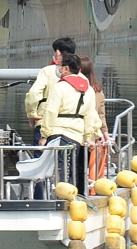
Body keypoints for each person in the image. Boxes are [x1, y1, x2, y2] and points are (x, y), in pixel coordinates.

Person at [38, 52, 104, 189]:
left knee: (60, 170)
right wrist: (88, 137)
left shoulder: (59, 87)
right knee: (74, 169)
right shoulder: (88, 90)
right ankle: (76, 199)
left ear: (66, 69)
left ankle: (62, 200)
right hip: (77, 136)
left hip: (59, 134)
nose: (59, 69)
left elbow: (50, 112)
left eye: (60, 66)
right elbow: (90, 115)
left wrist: (44, 135)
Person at [24, 37, 76, 144]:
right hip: (72, 127)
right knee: (67, 159)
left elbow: (33, 94)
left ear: (57, 52)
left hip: (44, 122)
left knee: (40, 159)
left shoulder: (47, 71)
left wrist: (32, 114)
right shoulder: (80, 75)